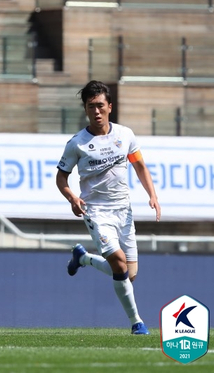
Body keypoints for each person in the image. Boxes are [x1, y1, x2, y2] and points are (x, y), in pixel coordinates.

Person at [56, 80, 161, 335]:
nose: (96, 111)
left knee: (129, 273)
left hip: (124, 211)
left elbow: (139, 166)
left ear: (110, 106)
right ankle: (137, 322)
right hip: (96, 211)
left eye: (100, 105)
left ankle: (84, 259)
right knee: (119, 264)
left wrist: (153, 195)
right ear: (85, 110)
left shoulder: (125, 135)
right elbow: (61, 178)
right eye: (91, 106)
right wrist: (72, 198)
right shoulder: (77, 143)